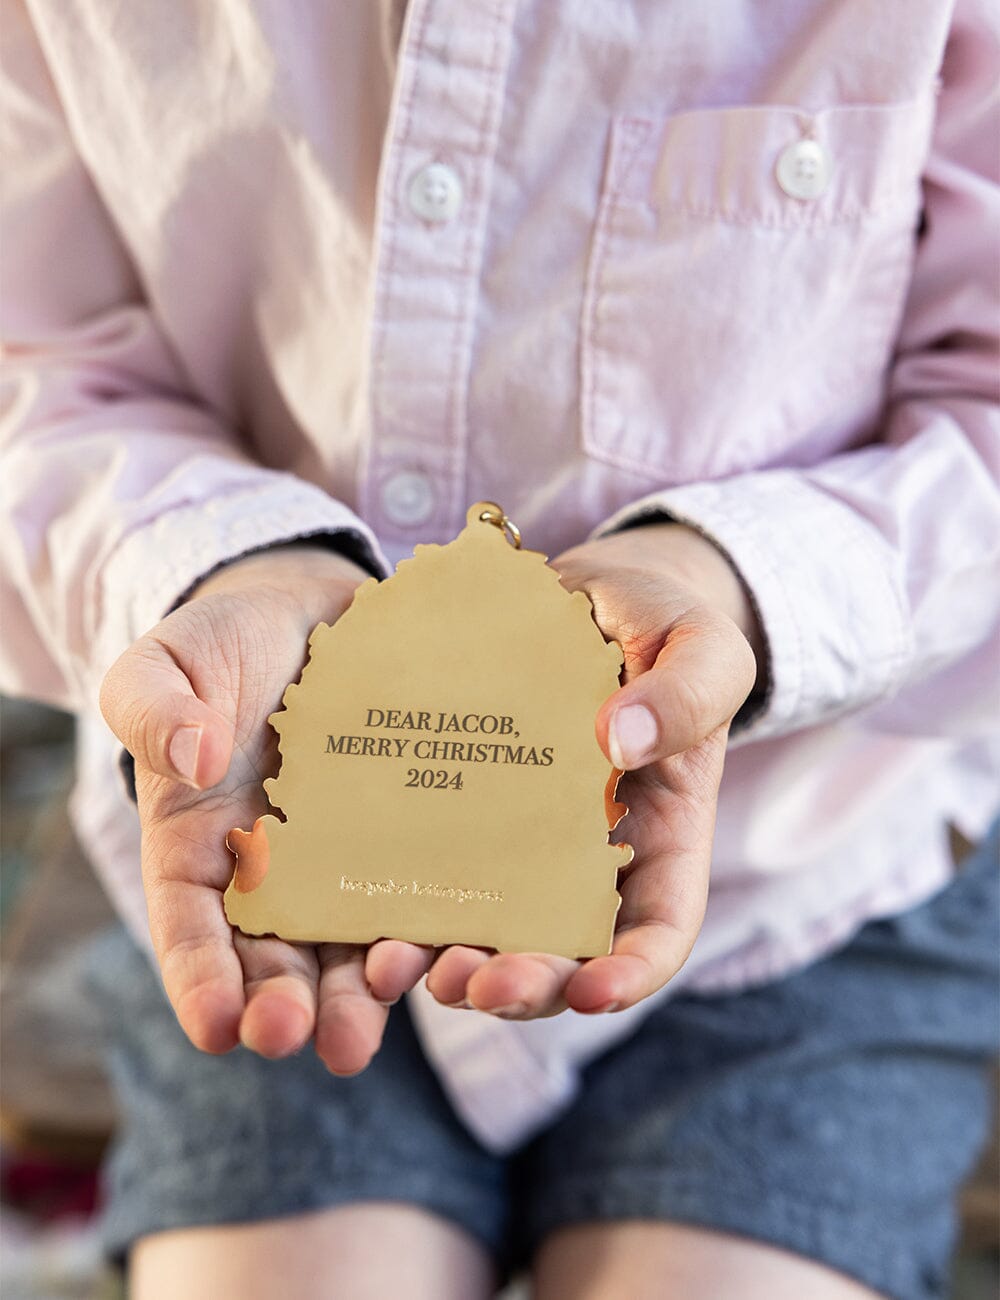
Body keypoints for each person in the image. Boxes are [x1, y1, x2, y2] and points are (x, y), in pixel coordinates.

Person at [2, 2, 997, 1297]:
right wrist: (224, 560)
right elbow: (38, 357)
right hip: (266, 846)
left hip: (811, 872)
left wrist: (729, 583)